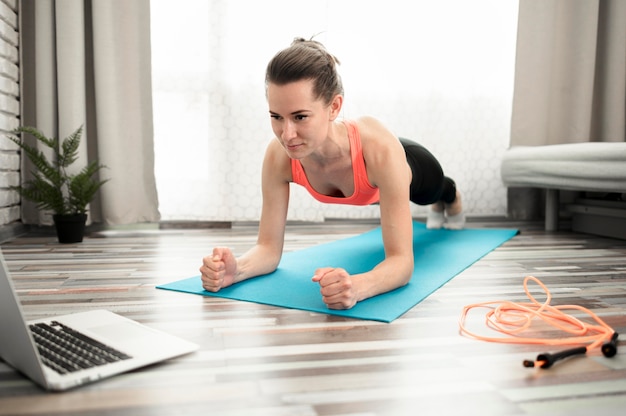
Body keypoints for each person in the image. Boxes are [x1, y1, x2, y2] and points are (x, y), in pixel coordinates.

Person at [200, 38, 464, 310]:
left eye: (300, 117)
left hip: (413, 165)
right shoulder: (278, 156)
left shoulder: (381, 150)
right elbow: (267, 249)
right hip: (374, 183)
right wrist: (236, 270)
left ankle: (452, 198)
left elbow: (402, 263)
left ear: (334, 107)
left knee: (433, 193)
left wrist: (358, 286)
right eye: (276, 117)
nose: (286, 135)